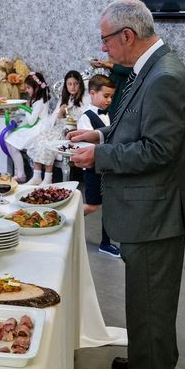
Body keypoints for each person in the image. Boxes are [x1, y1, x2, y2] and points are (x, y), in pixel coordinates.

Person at [70, 0, 185, 369]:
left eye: (106, 39)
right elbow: (134, 127)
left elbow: (158, 149)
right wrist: (101, 138)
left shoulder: (165, 77)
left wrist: (99, 158)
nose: (104, 49)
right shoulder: (152, 69)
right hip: (148, 210)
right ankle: (151, 362)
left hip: (154, 213)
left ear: (128, 35)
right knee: (148, 300)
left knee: (150, 303)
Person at [76, 74, 120, 257]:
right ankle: (67, 219)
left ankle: (106, 242)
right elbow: (86, 146)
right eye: (106, 96)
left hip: (107, 167)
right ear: (92, 93)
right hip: (93, 169)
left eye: (111, 97)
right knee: (93, 206)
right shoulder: (85, 118)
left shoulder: (108, 115)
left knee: (110, 205)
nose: (109, 100)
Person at [5, 72, 54, 184]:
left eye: (28, 87)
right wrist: (20, 109)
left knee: (11, 140)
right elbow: (31, 113)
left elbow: (31, 121)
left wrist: (26, 107)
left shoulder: (40, 102)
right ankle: (18, 172)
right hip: (37, 126)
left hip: (39, 129)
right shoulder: (38, 100)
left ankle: (21, 174)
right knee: (10, 138)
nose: (26, 90)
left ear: (36, 88)